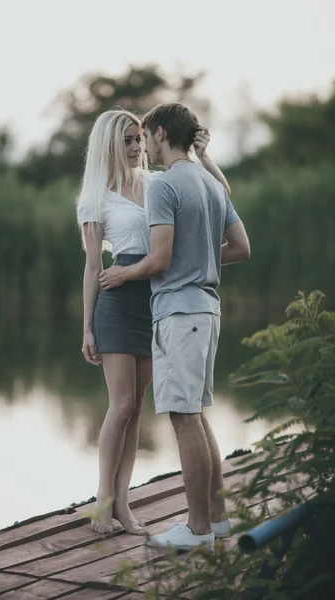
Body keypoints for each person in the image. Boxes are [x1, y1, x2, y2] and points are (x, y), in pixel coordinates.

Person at [99, 102, 250, 551]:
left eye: (146, 136)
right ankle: (218, 519)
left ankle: (198, 528)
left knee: (184, 419)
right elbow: (241, 247)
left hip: (179, 313)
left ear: (161, 133)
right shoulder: (210, 181)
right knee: (198, 415)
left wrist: (123, 273)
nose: (144, 145)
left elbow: (160, 259)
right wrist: (199, 255)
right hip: (208, 309)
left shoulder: (164, 187)